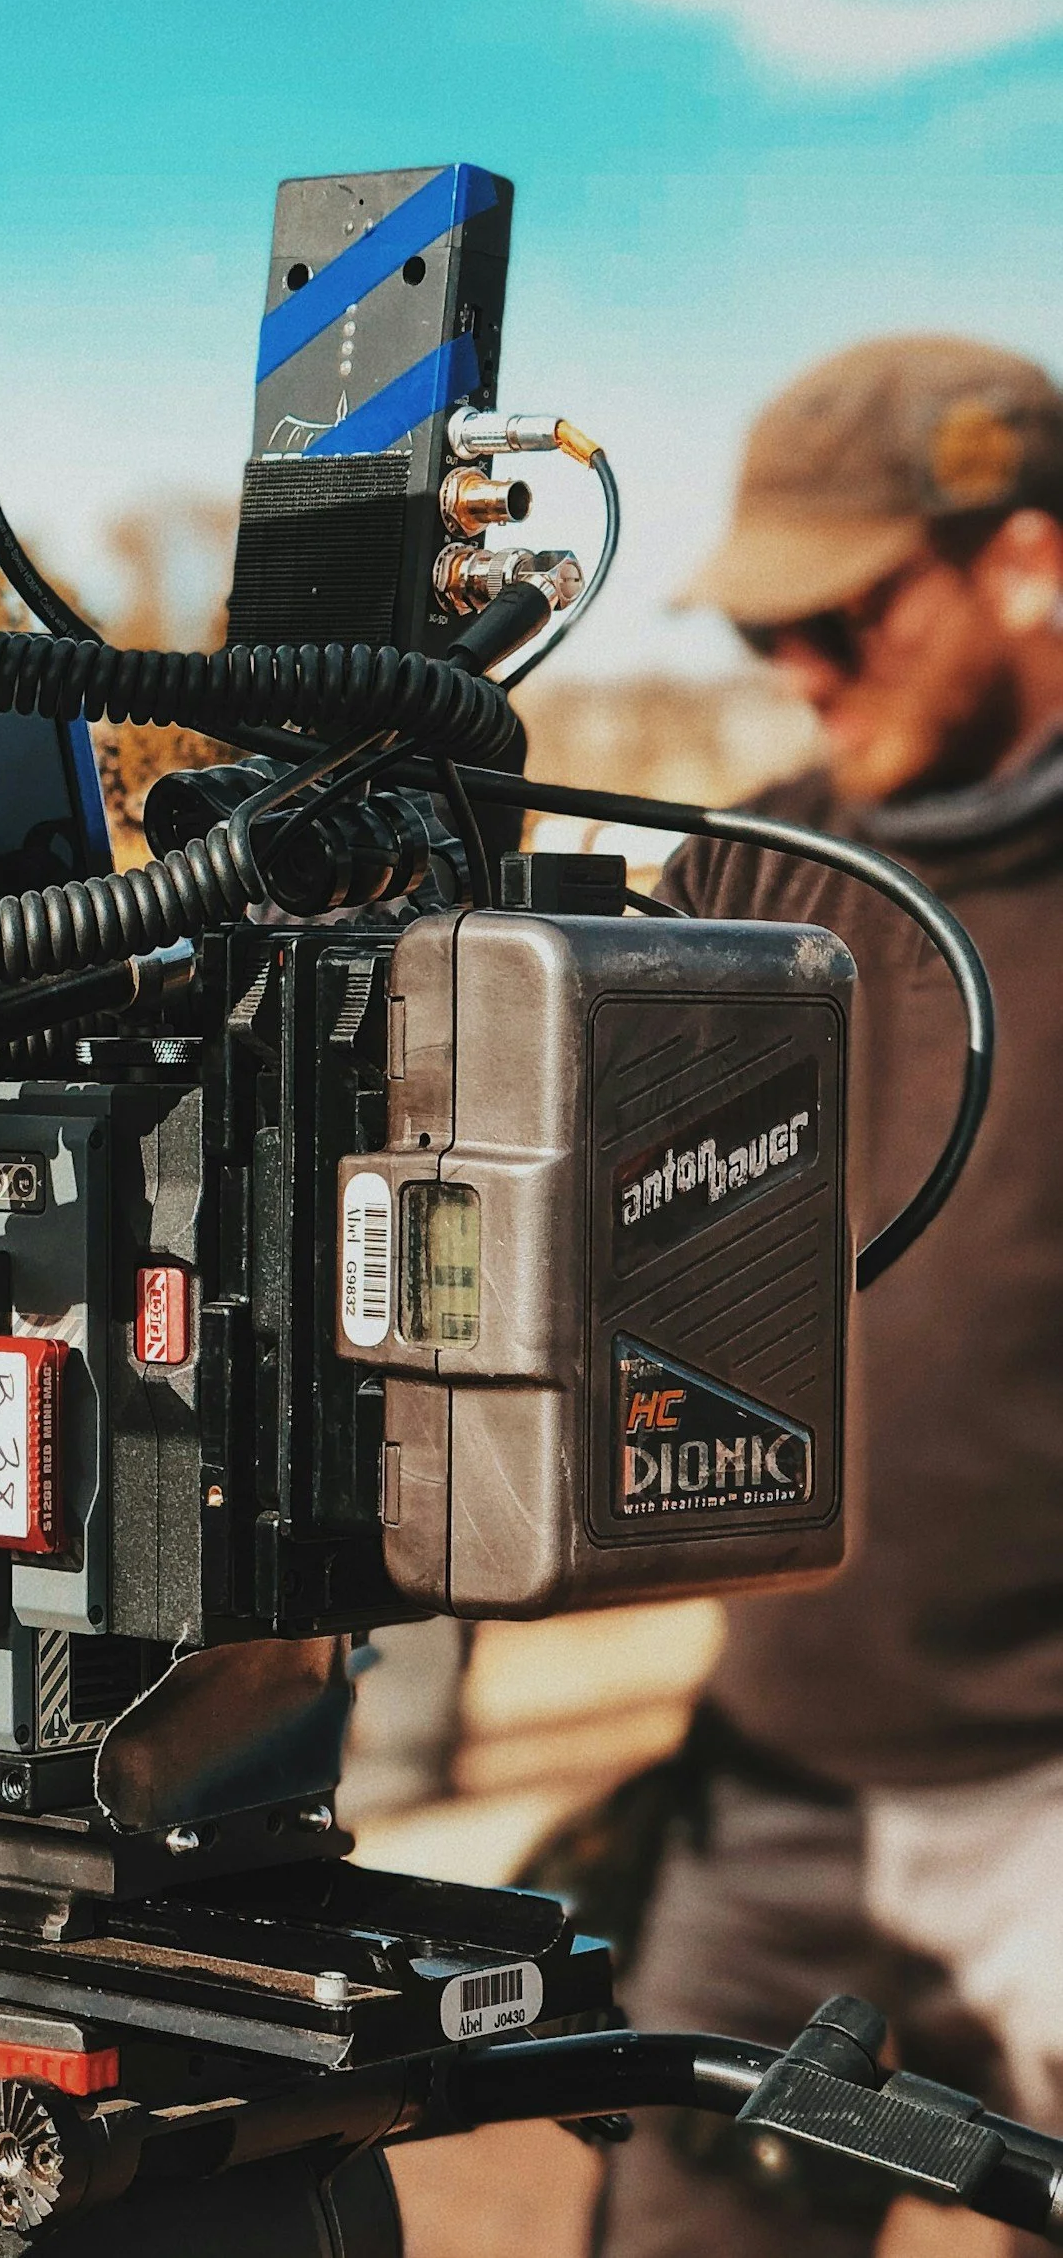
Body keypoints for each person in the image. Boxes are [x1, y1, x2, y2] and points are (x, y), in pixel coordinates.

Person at [595, 337, 1063, 2258]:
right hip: (768, 1778)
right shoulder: (758, 874)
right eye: (765, 630)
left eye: (845, 618)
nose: (797, 671)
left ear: (1026, 565)